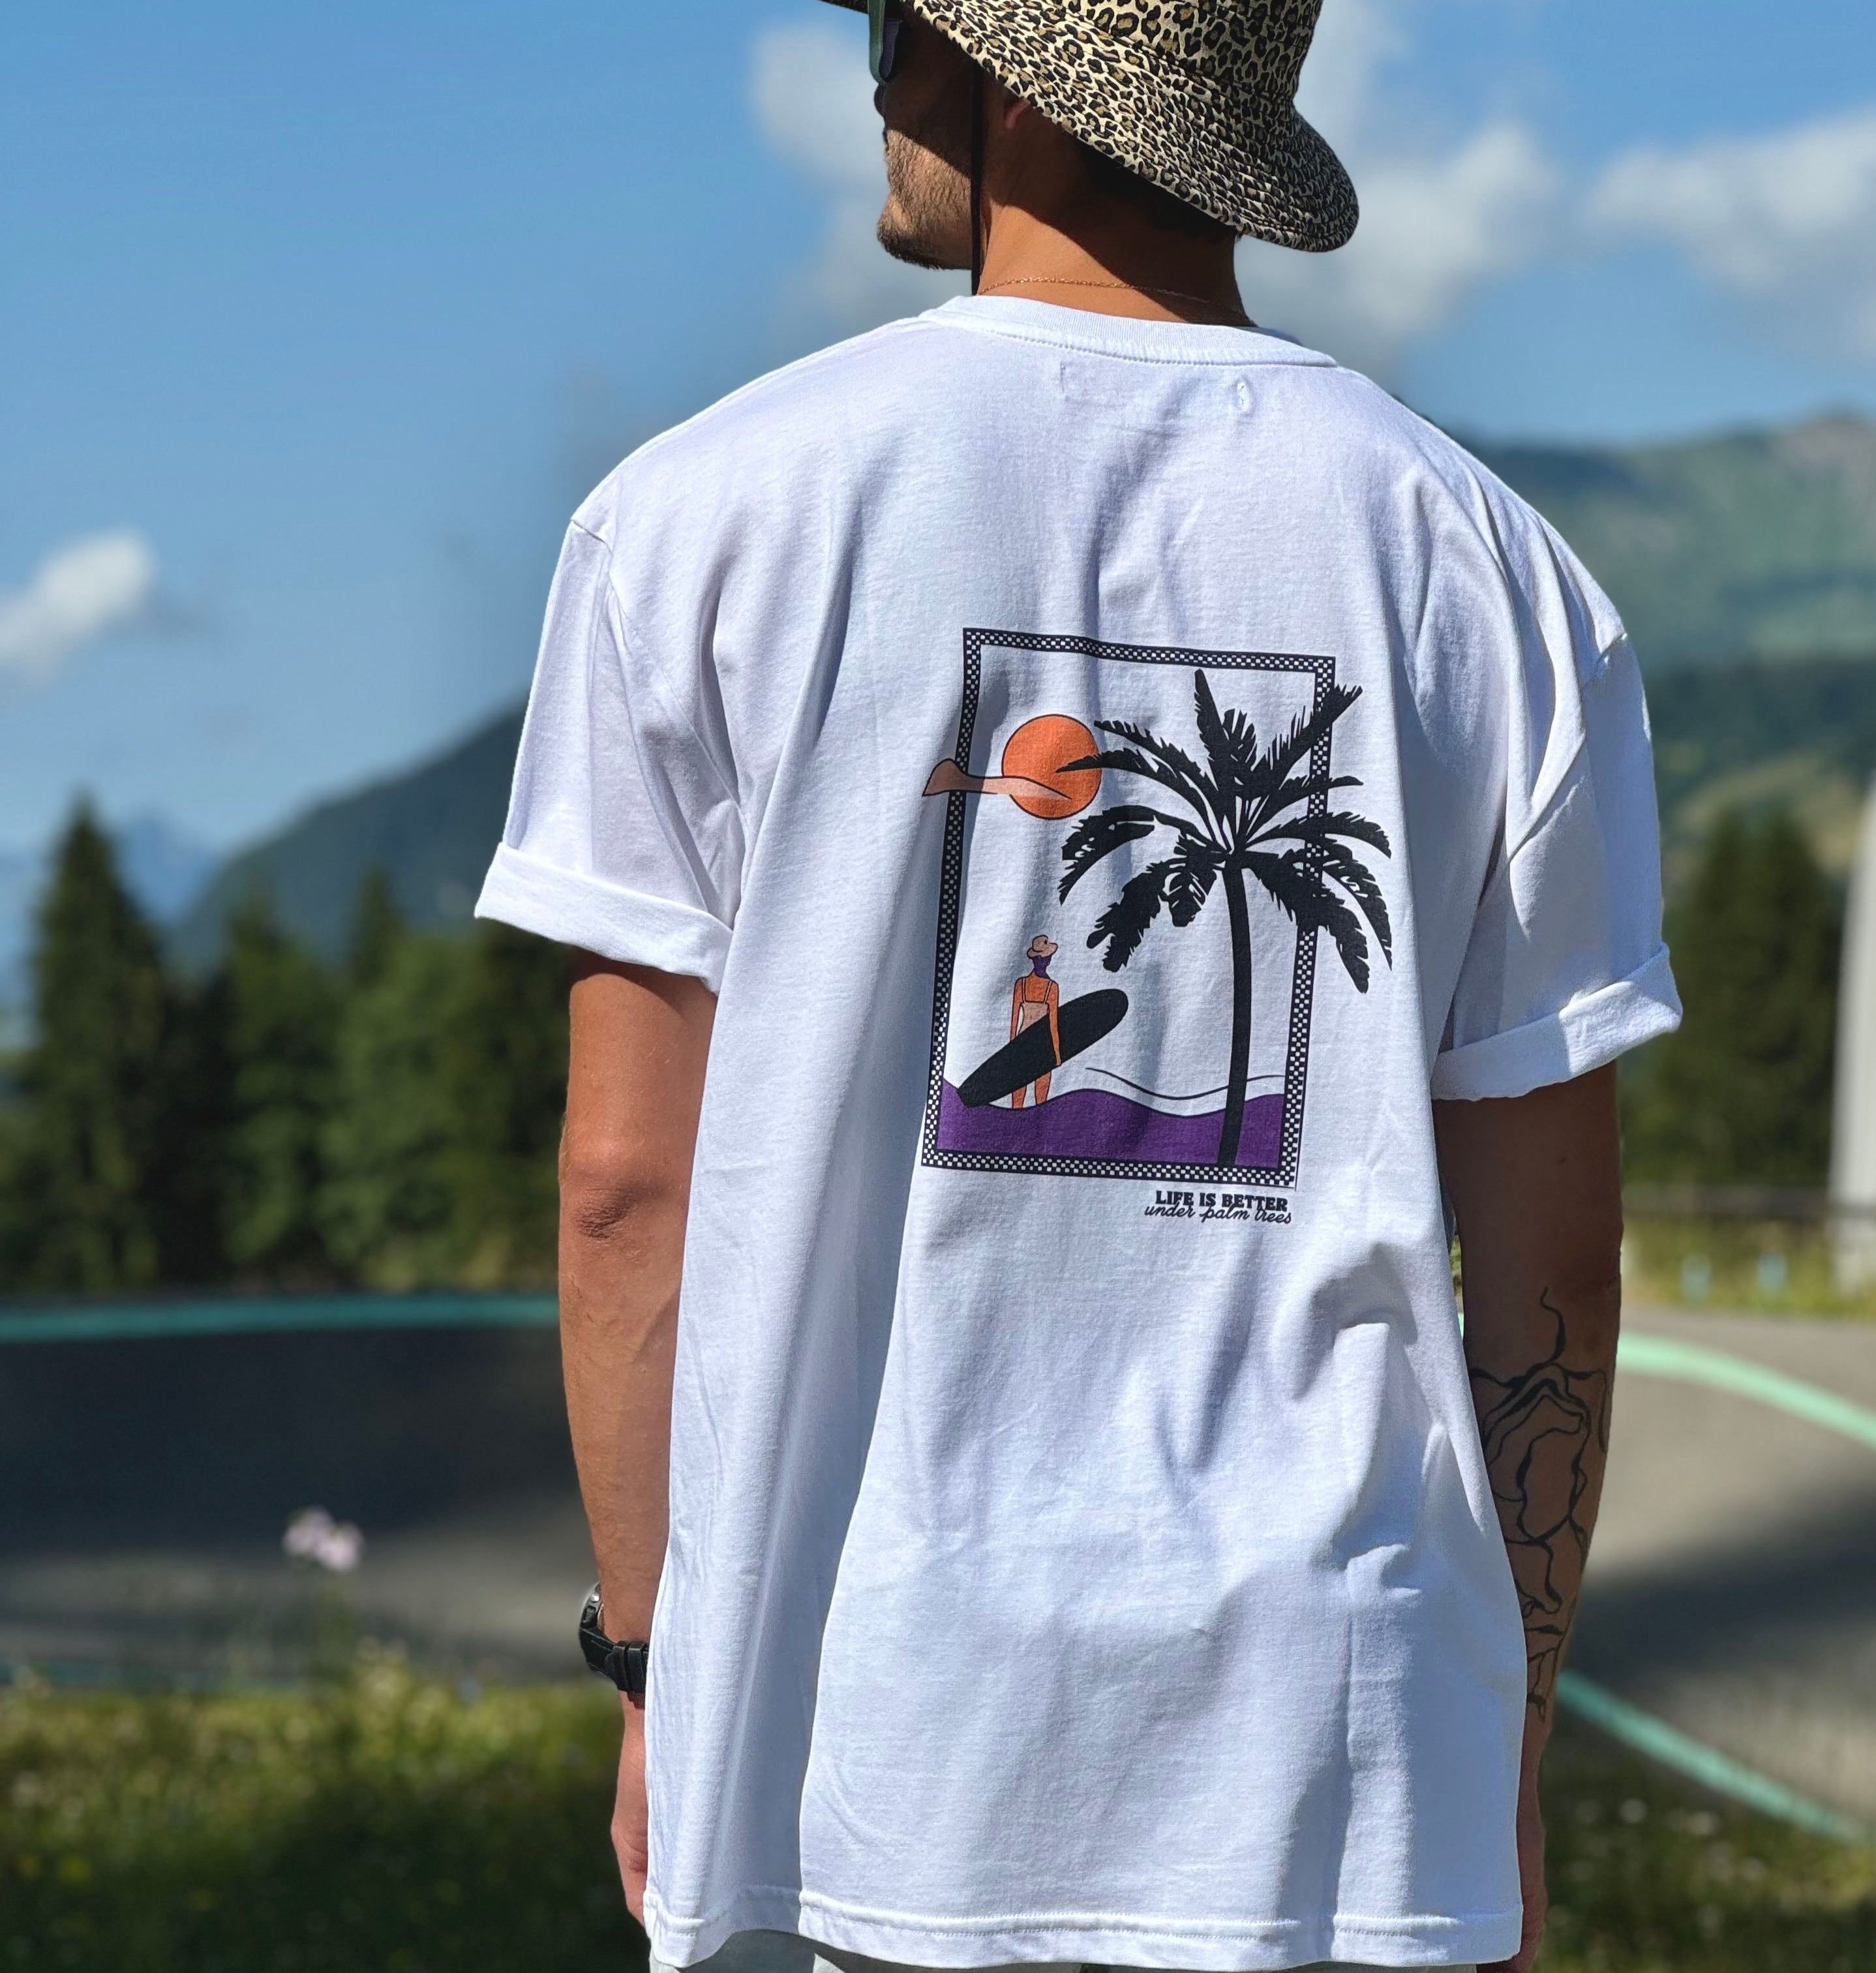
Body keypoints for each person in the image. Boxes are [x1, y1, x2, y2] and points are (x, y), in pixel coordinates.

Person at [475, 5, 1680, 1973]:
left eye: (901, 27)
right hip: (1345, 1745)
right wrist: (1508, 1732)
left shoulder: (696, 519)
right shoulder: (1494, 572)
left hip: (865, 1742)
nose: (878, 77)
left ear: (1017, 82)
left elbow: (629, 1188)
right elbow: (1555, 1258)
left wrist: (655, 1672)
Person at [1009, 935, 1062, 1107]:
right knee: (1036, 1098)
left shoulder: (1022, 984)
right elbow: (1052, 1024)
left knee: (1025, 1097)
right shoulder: (1051, 987)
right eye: (1044, 958)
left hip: (1025, 1041)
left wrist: (1011, 1049)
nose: (1044, 961)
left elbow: (1015, 1023)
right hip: (1041, 1044)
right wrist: (1056, 1054)